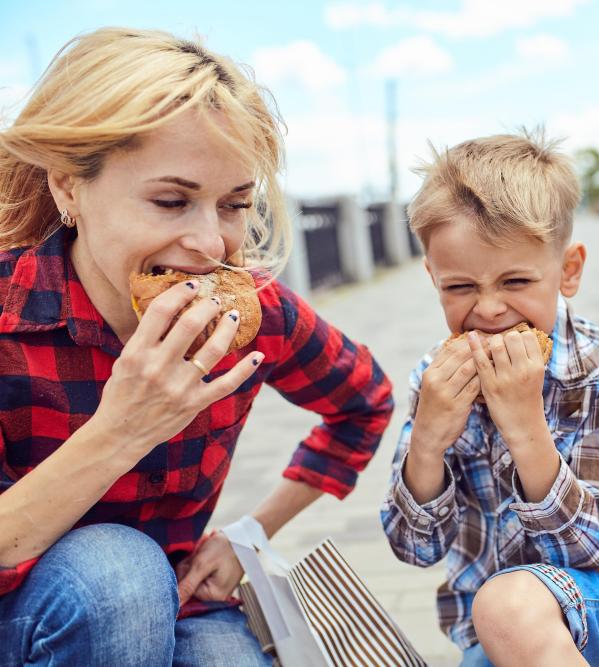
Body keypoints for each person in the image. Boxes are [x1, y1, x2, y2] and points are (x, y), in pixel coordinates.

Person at [0, 28, 394, 665]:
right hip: (23, 616)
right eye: (171, 200)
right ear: (68, 187)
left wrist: (250, 535)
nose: (212, 244)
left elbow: (364, 403)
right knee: (118, 573)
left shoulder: (252, 313)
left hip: (180, 594)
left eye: (234, 204)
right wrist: (124, 429)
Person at [379, 132, 599, 667]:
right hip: (490, 624)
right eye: (460, 287)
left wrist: (524, 424)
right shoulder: (435, 378)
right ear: (433, 276)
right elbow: (414, 547)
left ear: (568, 271)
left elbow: (592, 551)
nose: (490, 308)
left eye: (516, 280)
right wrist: (426, 442)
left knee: (511, 613)